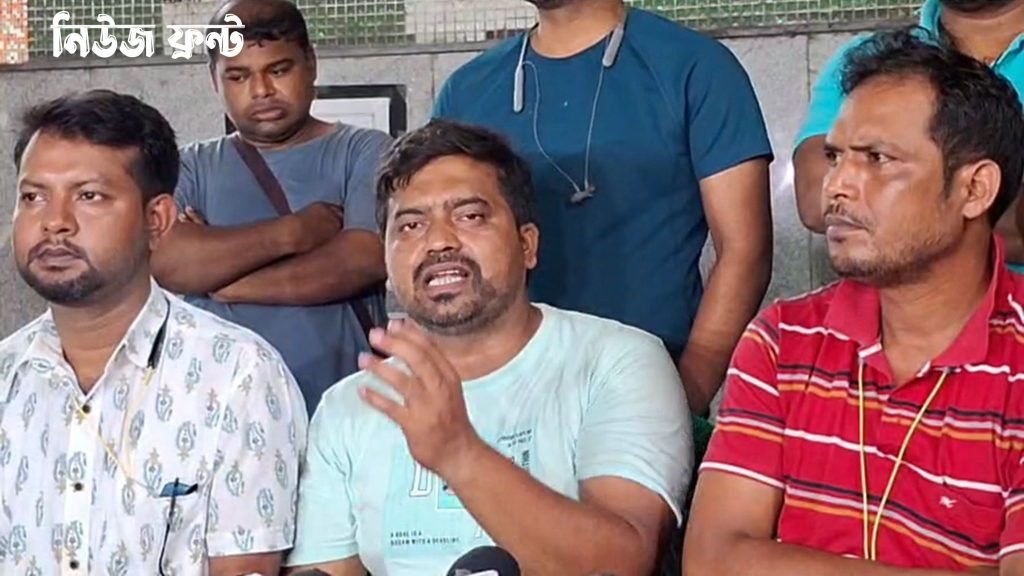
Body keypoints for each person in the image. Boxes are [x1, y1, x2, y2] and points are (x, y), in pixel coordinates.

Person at [283, 120, 692, 576]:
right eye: (411, 225)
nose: (438, 241)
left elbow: (623, 563)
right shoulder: (350, 405)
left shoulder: (618, 362)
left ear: (527, 244)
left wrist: (458, 453)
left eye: (470, 216)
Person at [685, 28, 1024, 574]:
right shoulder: (782, 341)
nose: (836, 186)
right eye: (835, 156)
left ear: (974, 189)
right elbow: (711, 560)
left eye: (878, 158)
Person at [2, 89, 307, 575]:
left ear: (157, 219)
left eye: (88, 196)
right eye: (33, 197)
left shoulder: (236, 376)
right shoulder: (7, 377)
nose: (54, 222)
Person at [432, 0, 773, 419]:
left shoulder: (695, 68)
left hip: (643, 388)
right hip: (495, 398)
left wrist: (685, 396)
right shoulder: (467, 90)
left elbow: (745, 251)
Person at [151, 0, 392, 414]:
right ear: (214, 80)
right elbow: (170, 263)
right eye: (238, 76)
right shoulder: (191, 166)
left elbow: (362, 259)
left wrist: (227, 281)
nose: (261, 90)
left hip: (345, 408)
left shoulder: (364, 150)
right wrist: (293, 233)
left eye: (278, 70)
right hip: (219, 411)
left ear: (310, 64)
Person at [793, 0, 1024, 271]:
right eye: (876, 156)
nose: (839, 186)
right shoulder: (870, 57)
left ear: (979, 185)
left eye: (877, 156)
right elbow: (815, 197)